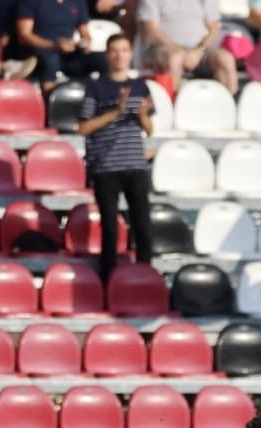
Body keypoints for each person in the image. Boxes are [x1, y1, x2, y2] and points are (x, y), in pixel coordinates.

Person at [77, 34, 153, 280]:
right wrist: (115, 112)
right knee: (110, 228)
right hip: (106, 167)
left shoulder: (141, 86)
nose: (120, 55)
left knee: (142, 225)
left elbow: (150, 129)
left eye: (124, 50)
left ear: (130, 53)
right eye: (114, 50)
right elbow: (84, 128)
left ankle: (146, 275)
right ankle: (108, 280)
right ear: (108, 55)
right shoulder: (96, 87)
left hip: (135, 164)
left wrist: (141, 115)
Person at [138, 0, 235, 92]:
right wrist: (179, 50)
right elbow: (151, 29)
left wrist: (199, 51)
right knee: (175, 58)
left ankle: (229, 104)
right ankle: (171, 105)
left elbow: (214, 28)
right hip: (165, 49)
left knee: (226, 60)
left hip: (200, 51)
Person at [17, 0, 108, 95]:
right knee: (51, 60)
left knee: (102, 60)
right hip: (40, 52)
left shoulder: (78, 2)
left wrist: (83, 44)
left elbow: (85, 33)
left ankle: (102, 100)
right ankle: (50, 100)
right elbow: (24, 36)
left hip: (69, 53)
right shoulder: (31, 2)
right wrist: (54, 45)